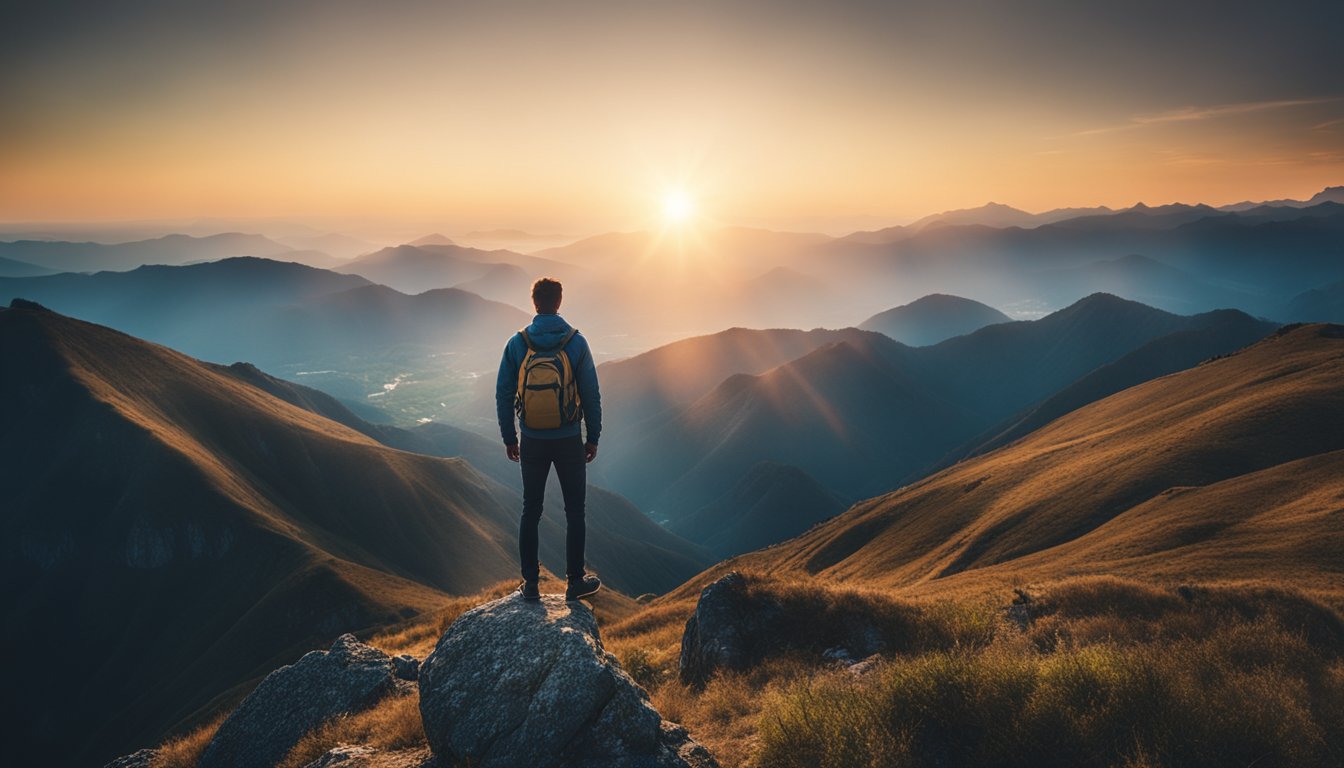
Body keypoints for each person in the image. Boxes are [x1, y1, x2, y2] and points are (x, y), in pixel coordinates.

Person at [495, 277, 603, 602]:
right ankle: (575, 582)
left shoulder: (518, 343)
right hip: (569, 437)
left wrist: (509, 437)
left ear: (534, 303)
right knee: (575, 511)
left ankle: (530, 584)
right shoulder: (576, 342)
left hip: (531, 439)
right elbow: (591, 394)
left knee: (531, 510)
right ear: (559, 301)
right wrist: (592, 436)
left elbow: (502, 393)